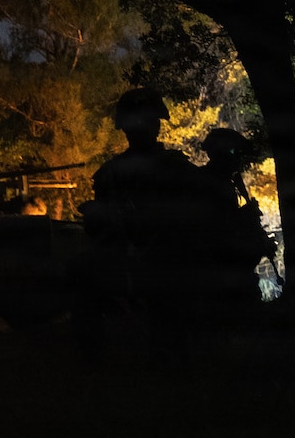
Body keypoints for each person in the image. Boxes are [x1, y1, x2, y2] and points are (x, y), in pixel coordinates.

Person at [70, 87, 203, 358]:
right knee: (81, 270)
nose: (142, 129)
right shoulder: (114, 173)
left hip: (166, 258)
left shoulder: (175, 169)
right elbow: (96, 228)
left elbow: (197, 219)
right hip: (129, 259)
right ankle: (94, 353)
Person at [193, 128, 279, 304]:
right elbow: (215, 228)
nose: (239, 160)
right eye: (235, 154)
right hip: (217, 274)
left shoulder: (223, 182)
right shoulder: (207, 182)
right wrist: (245, 217)